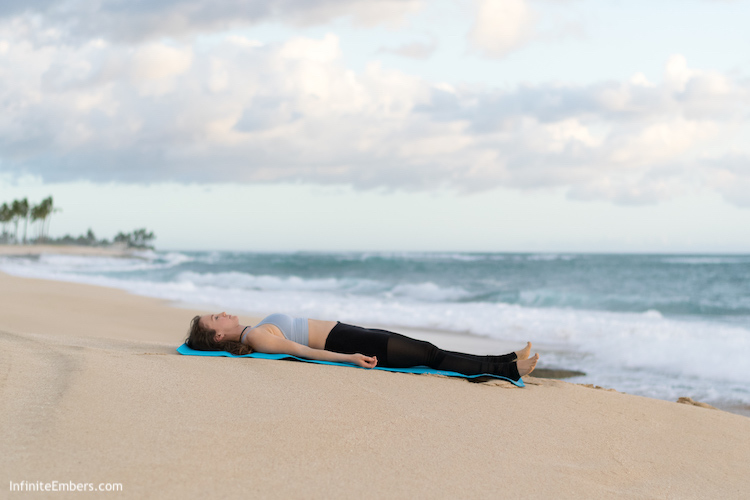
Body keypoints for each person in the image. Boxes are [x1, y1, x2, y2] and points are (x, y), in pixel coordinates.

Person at [186, 312, 539, 382]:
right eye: (214, 320)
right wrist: (349, 358)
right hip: (347, 342)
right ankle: (507, 369)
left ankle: (508, 358)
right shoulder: (256, 338)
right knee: (432, 356)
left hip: (349, 331)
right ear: (219, 337)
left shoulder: (252, 330)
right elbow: (304, 351)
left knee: (430, 350)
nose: (221, 314)